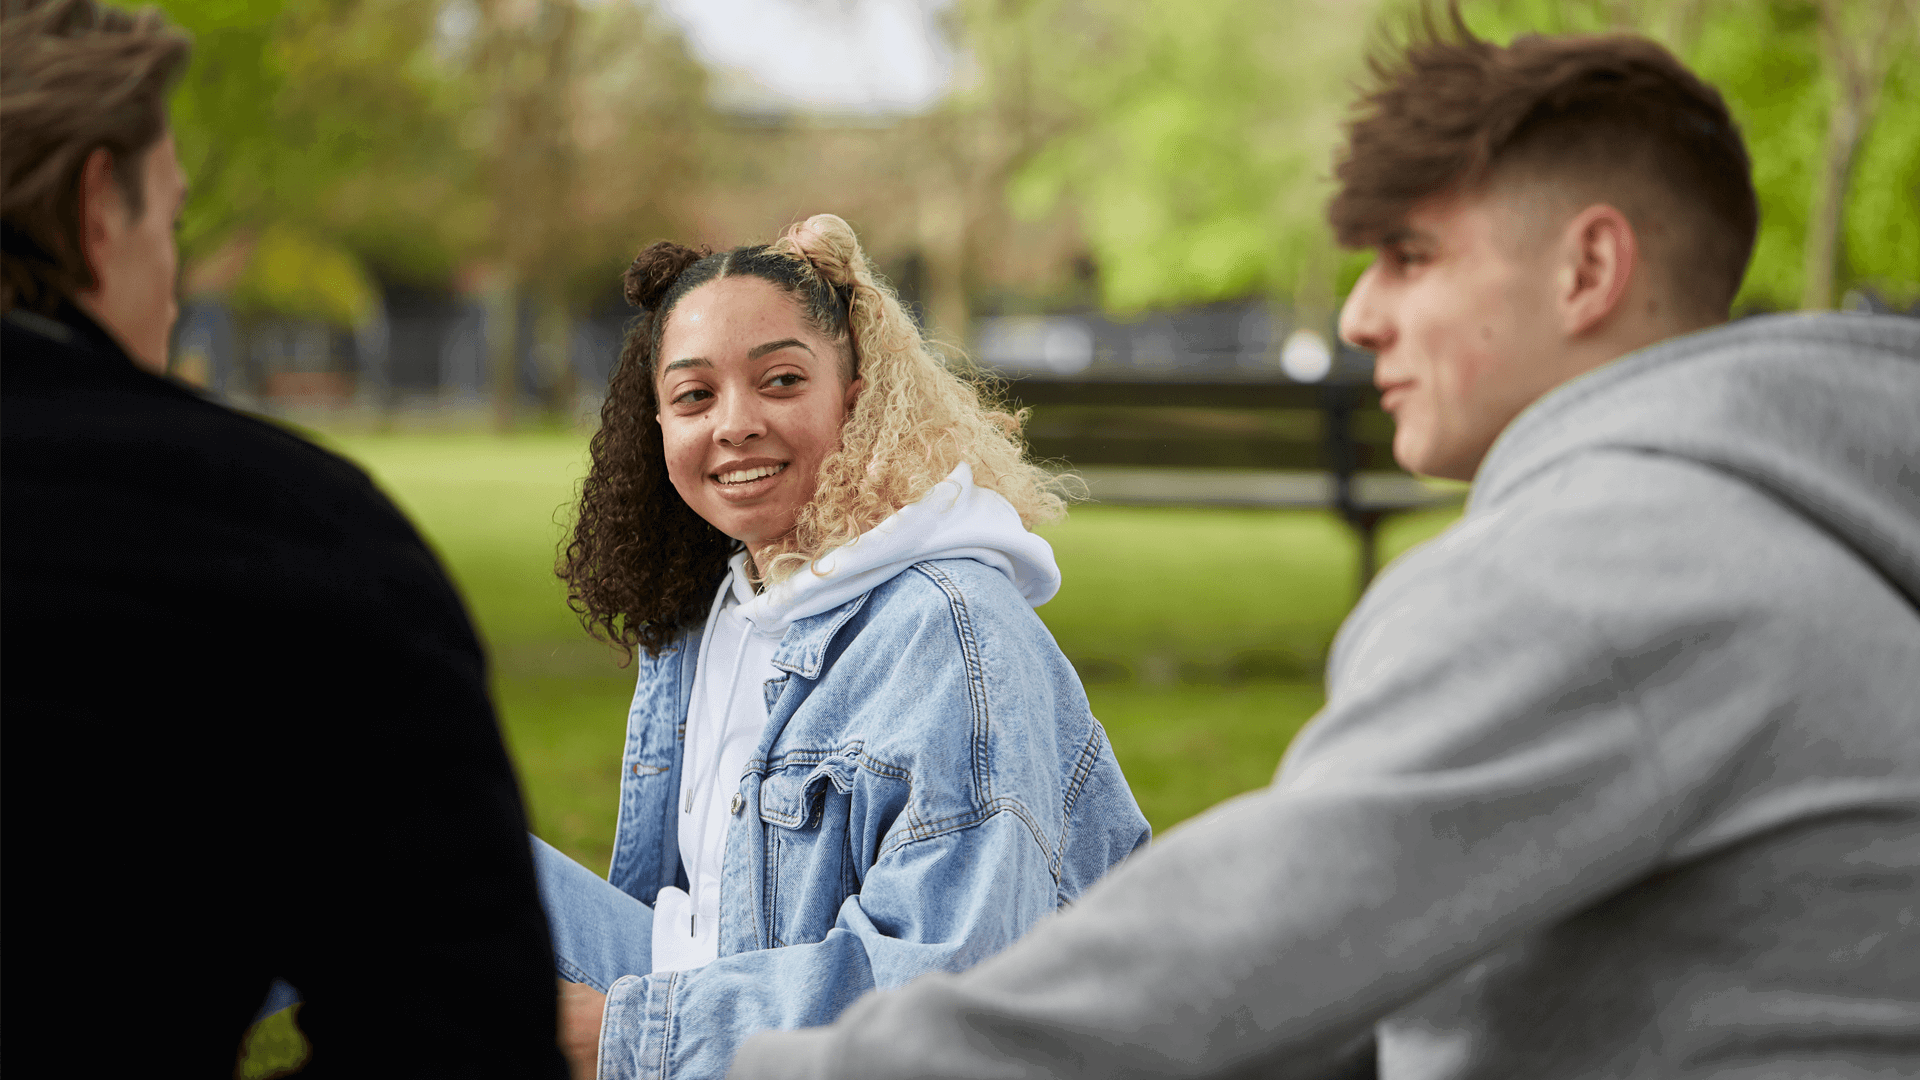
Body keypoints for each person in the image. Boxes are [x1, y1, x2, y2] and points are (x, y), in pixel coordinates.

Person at [725, 14, 1920, 1080]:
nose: (1358, 314)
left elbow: (1223, 962)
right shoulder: (1790, 531)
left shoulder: (1618, 575)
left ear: (1589, 268)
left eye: (1411, 257)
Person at [1, 0, 568, 1073]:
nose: (170, 289)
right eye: (169, 225)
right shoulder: (295, 539)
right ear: (94, 211)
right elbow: (460, 1037)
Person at [537, 214, 1152, 1078]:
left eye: (781, 380)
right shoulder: (721, 605)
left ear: (856, 402)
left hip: (824, 1054)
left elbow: (952, 986)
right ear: (659, 424)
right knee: (356, 828)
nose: (735, 423)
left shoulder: (952, 631)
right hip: (707, 1004)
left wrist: (628, 1037)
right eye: (694, 396)